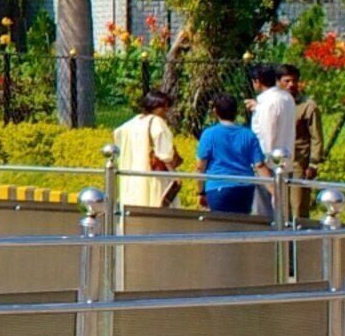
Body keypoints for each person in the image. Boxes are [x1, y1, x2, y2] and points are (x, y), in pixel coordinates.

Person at [194, 91, 265, 219]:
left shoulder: (209, 134)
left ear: (215, 111)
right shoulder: (248, 134)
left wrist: (201, 191)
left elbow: (200, 167)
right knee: (241, 226)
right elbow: (259, 164)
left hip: (218, 187)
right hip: (245, 188)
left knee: (220, 227)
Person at [110, 88, 182, 211]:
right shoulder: (157, 122)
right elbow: (165, 154)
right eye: (164, 107)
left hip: (131, 177)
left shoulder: (131, 123)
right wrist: (175, 175)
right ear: (156, 106)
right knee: (158, 209)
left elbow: (117, 134)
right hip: (154, 178)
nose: (166, 111)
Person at [248, 63, 303, 219]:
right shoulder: (287, 98)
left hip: (269, 165)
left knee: (264, 213)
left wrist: (262, 165)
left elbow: (267, 136)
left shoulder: (269, 103)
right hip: (284, 162)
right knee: (281, 212)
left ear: (257, 81)